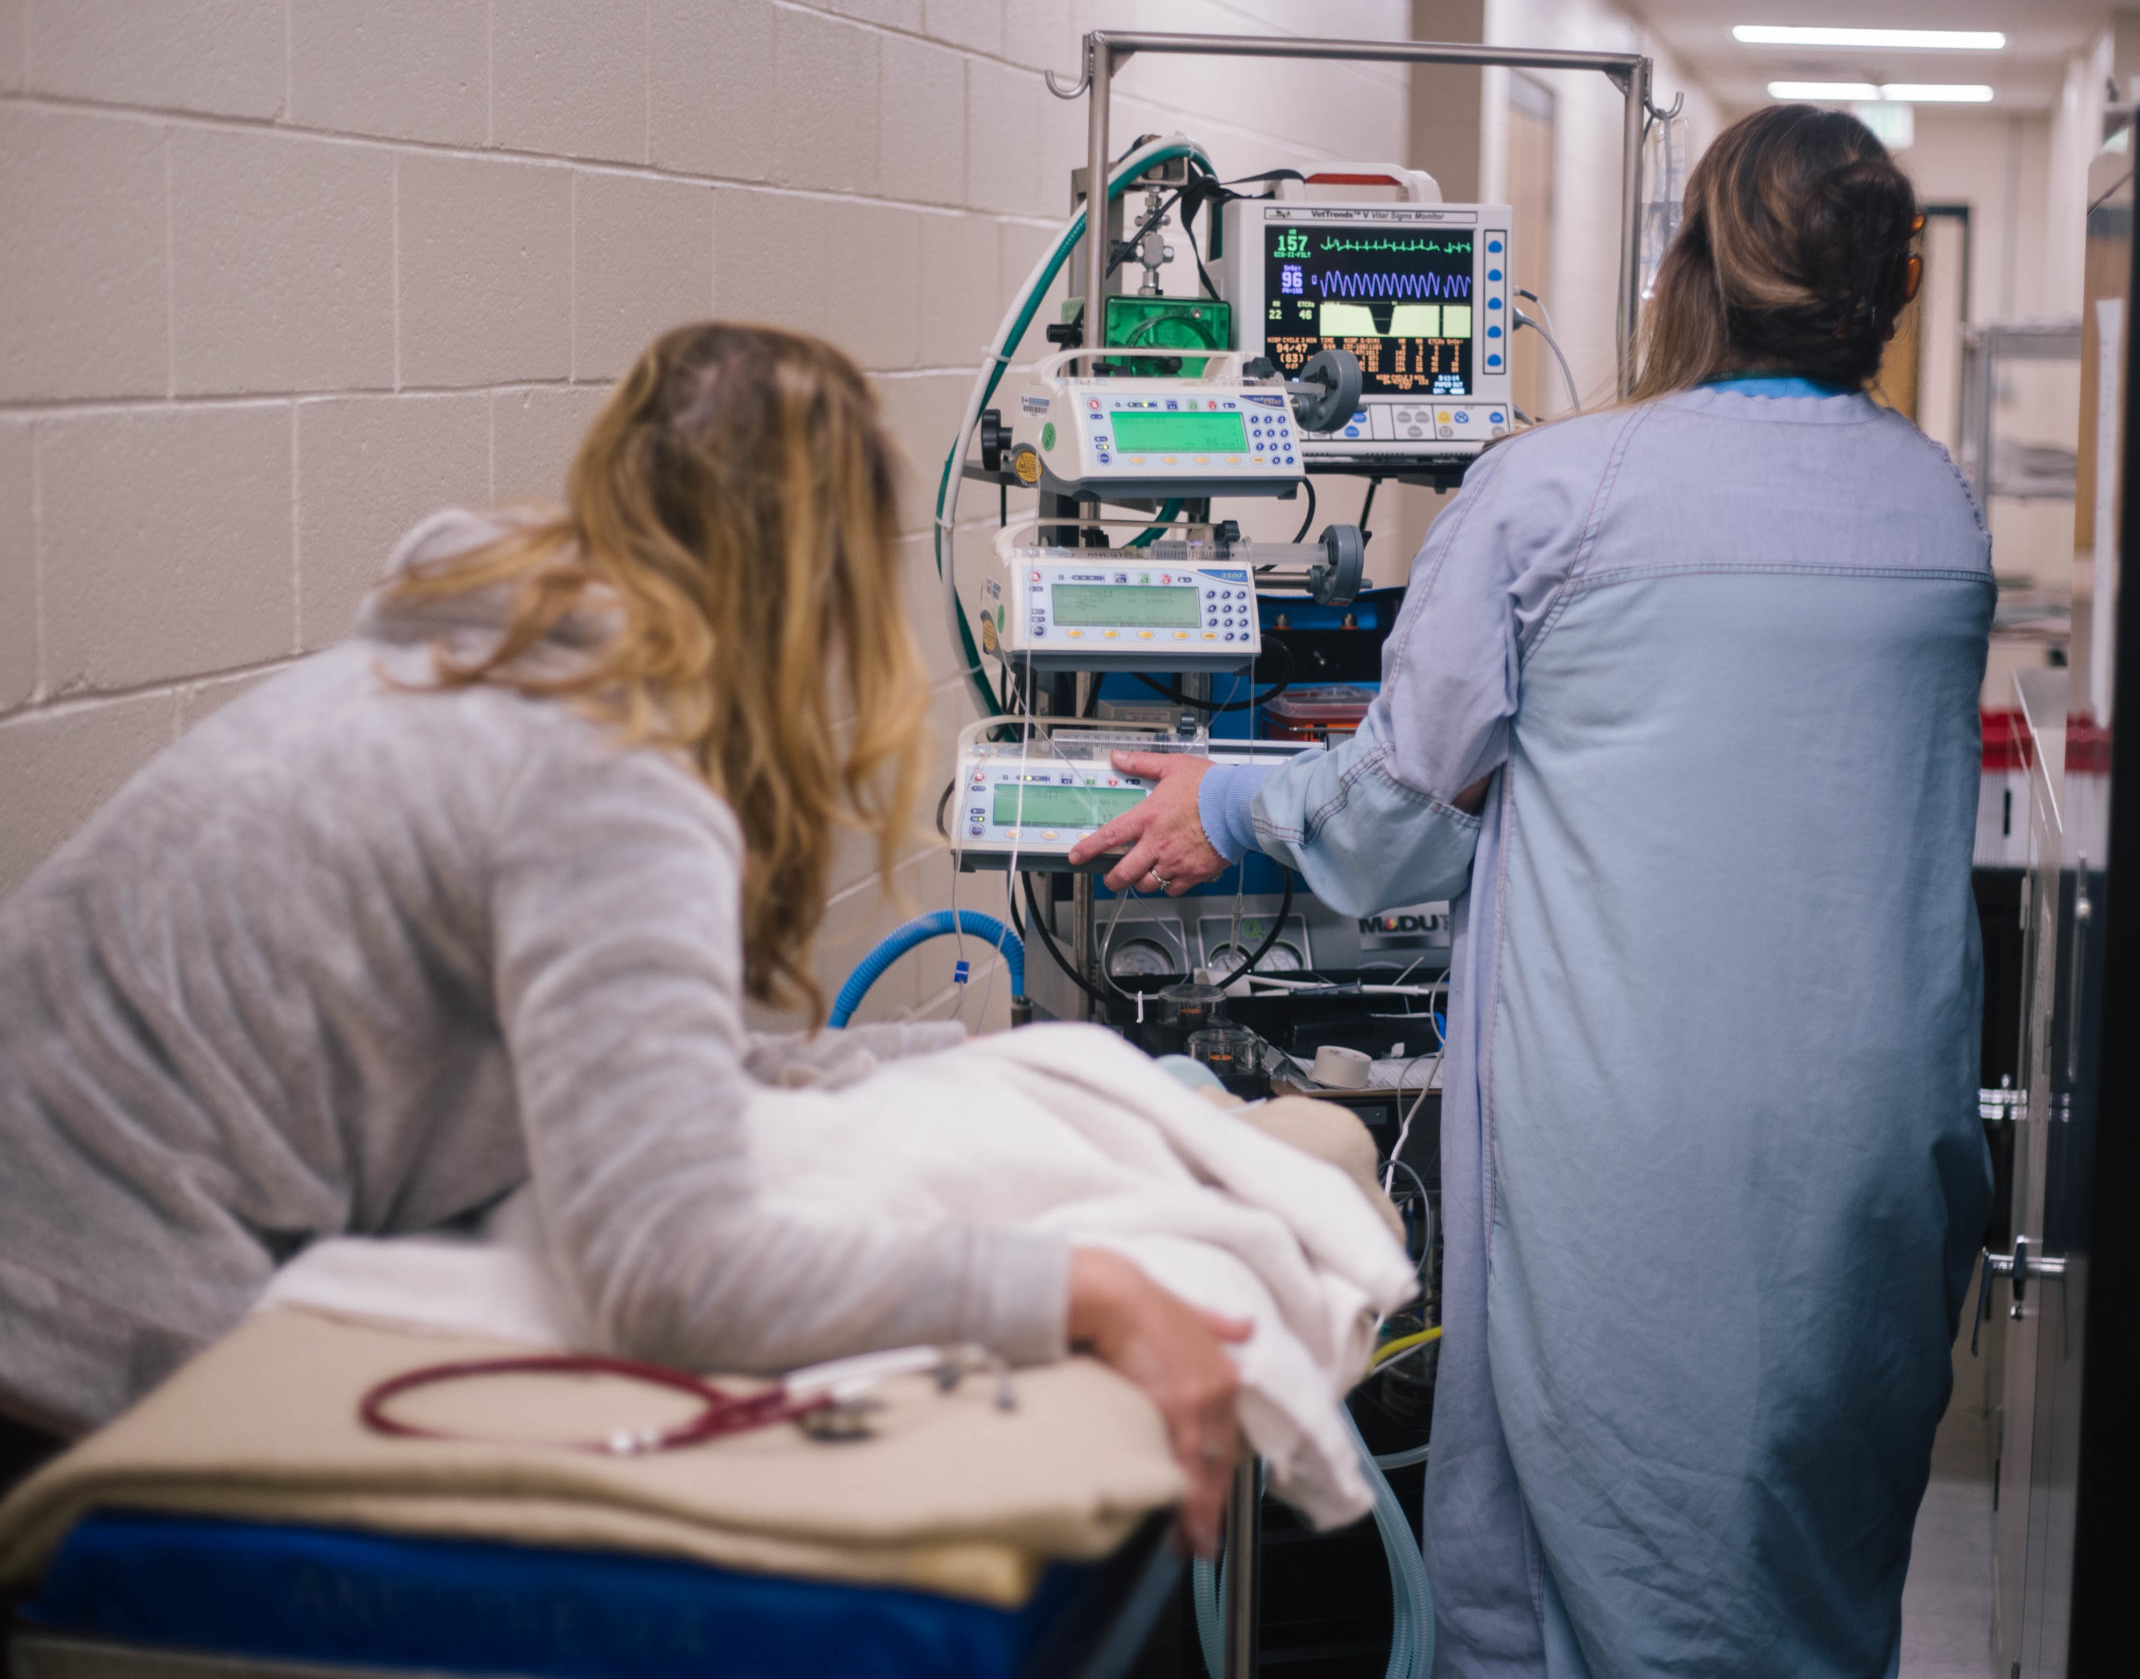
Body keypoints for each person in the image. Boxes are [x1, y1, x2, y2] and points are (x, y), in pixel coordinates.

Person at [0, 323, 1248, 1551]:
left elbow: (603, 1065)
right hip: (67, 1343)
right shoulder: (602, 766)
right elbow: (673, 1270)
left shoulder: (473, 666)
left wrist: (958, 1073)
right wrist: (1080, 1288)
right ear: (829, 576)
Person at [1074, 106, 1993, 1675]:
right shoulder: (1937, 510)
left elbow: (1387, 816)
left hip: (1645, 1150)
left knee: (1622, 1551)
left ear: (1686, 266)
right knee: (1809, 1563)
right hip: (1876, 1144)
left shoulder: (1561, 491)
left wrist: (1226, 797)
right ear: (1886, 288)